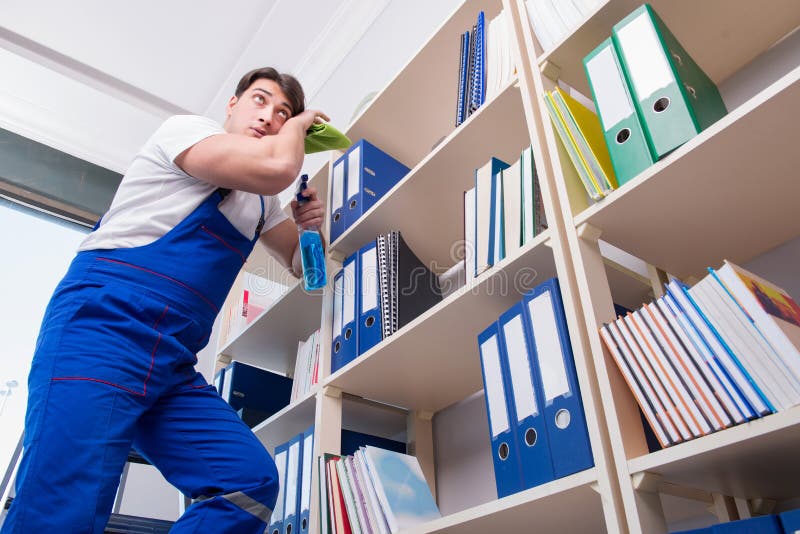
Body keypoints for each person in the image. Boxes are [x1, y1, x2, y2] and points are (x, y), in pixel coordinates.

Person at [2, 67, 328, 533]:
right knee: (62, 508)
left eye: (282, 113)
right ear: (232, 105)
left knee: (246, 484)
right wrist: (300, 126)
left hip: (171, 362)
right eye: (261, 101)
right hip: (103, 331)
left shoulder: (262, 205)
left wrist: (310, 227)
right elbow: (277, 168)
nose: (270, 118)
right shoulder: (187, 132)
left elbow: (307, 271)